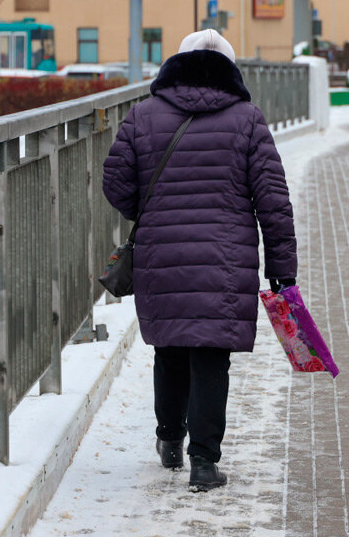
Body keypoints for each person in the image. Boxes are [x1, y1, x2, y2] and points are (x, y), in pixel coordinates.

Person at [102, 29, 297, 492]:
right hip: (224, 258)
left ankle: (169, 440)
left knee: (169, 349)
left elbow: (116, 181)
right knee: (211, 357)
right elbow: (273, 199)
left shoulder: (143, 115)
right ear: (229, 68)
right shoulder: (248, 119)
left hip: (161, 251)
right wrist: (282, 268)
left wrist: (150, 213)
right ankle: (204, 464)